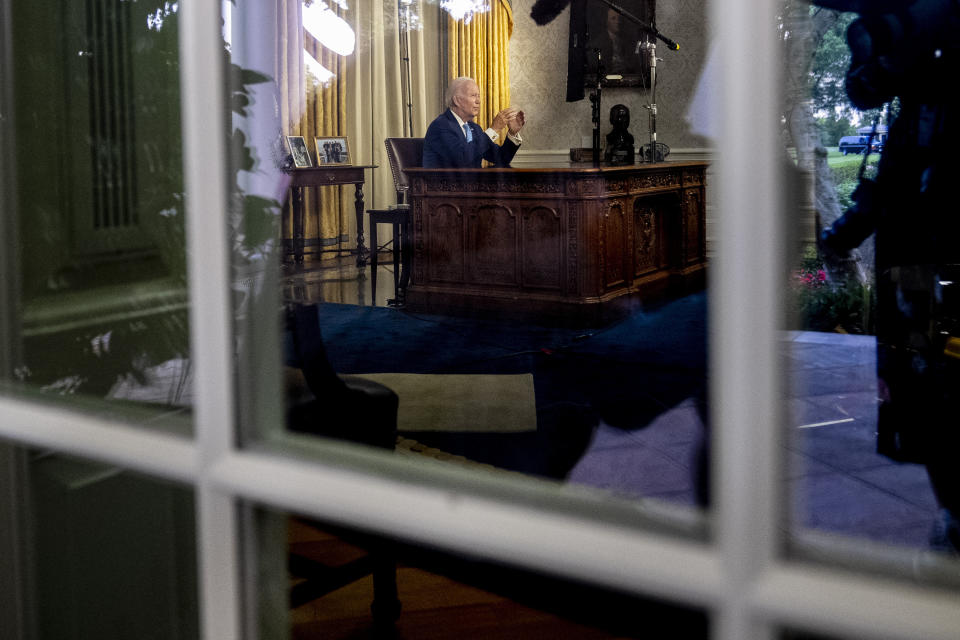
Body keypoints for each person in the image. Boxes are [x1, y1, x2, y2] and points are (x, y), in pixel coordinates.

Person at [422, 76, 525, 168]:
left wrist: (512, 133)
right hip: (444, 187)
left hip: (473, 186)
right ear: (457, 100)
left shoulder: (474, 128)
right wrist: (494, 129)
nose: (478, 101)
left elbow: (501, 158)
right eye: (473, 96)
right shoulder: (440, 126)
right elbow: (462, 159)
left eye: (478, 96)